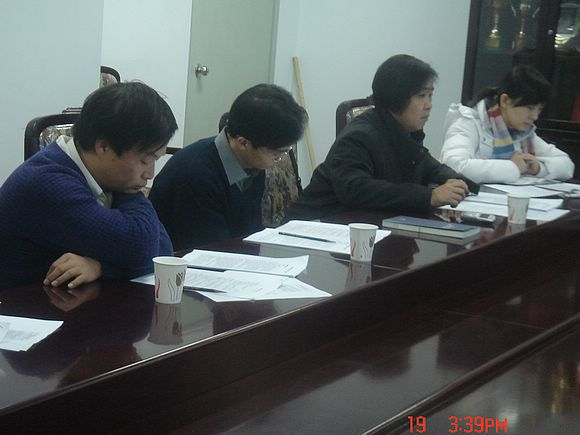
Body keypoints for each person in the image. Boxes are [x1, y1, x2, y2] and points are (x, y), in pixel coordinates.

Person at [0, 82, 177, 291]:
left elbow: (163, 250)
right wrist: (132, 194)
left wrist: (100, 267)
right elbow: (143, 247)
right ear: (103, 146)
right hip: (19, 305)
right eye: (145, 160)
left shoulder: (103, 176)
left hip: (61, 299)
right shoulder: (48, 183)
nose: (150, 174)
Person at [285, 54, 478, 221]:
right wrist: (429, 196)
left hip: (364, 228)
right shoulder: (358, 137)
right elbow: (357, 190)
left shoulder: (401, 131)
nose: (428, 105)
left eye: (430, 95)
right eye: (421, 96)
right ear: (396, 97)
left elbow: (428, 166)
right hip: (315, 228)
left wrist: (458, 182)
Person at [149, 83, 307, 251]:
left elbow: (250, 235)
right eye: (277, 152)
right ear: (243, 143)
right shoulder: (196, 176)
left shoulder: (252, 163)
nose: (279, 159)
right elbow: (208, 251)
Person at [440, 64, 574, 184]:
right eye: (529, 108)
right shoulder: (469, 122)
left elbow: (567, 165)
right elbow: (453, 166)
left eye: (539, 109)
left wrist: (539, 167)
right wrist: (513, 167)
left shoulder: (523, 133)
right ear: (505, 101)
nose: (535, 116)